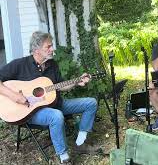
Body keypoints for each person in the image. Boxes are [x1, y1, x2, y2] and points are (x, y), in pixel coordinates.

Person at [0, 31, 99, 164]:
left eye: (51, 46)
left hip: (56, 103)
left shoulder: (52, 64)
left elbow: (59, 86)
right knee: (56, 116)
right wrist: (15, 96)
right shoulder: (20, 64)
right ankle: (64, 157)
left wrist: (76, 82)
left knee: (91, 103)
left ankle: (80, 143)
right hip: (30, 112)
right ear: (36, 50)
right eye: (48, 46)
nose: (52, 49)